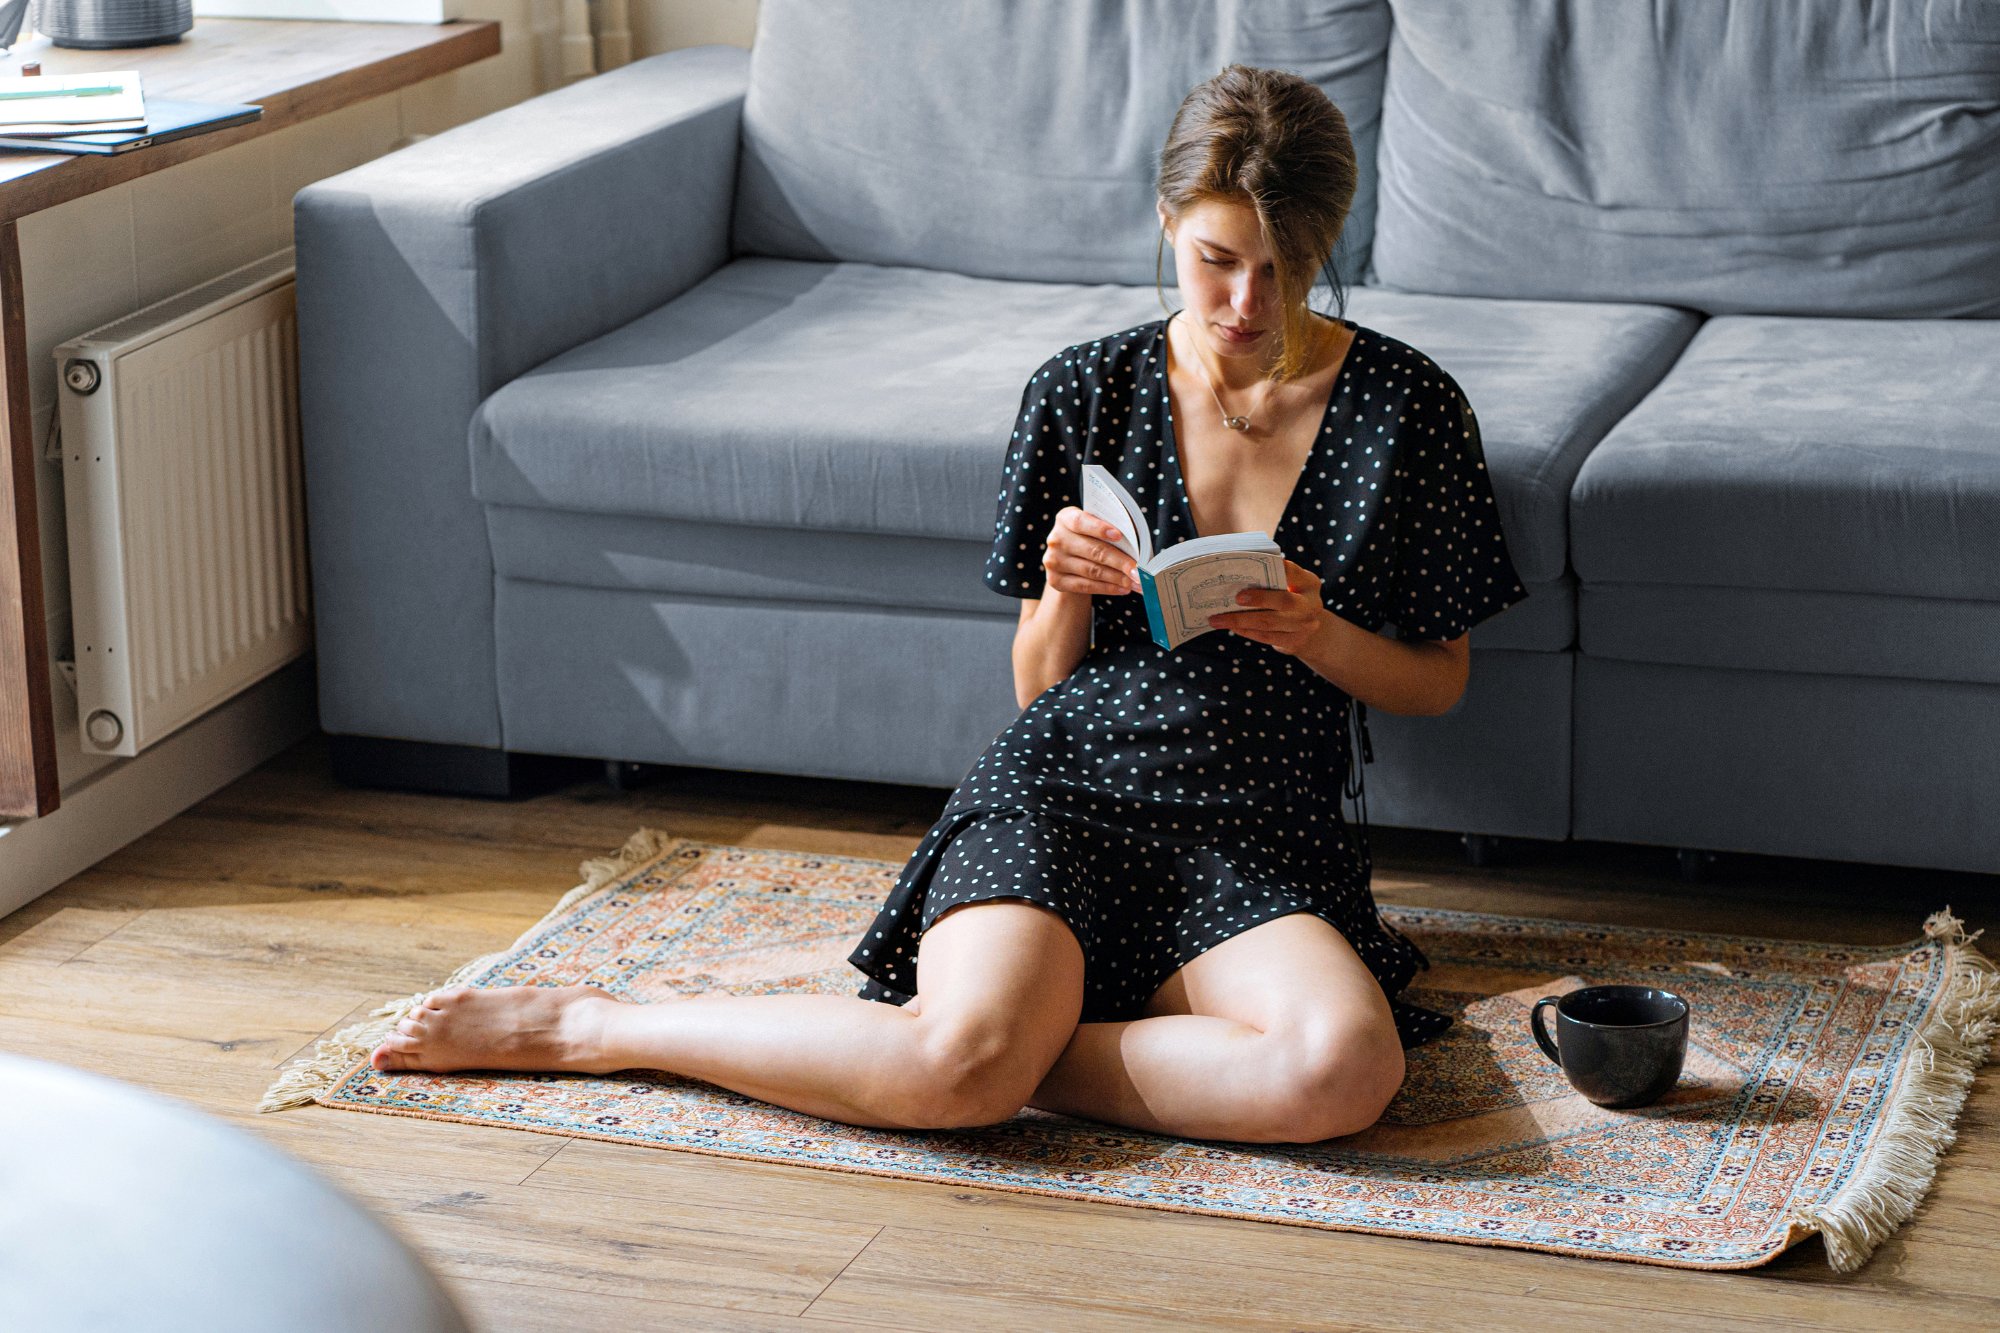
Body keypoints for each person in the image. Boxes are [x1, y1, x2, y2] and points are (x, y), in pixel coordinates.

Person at [367, 65, 1530, 1145]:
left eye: (1280, 267)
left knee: (1341, 1070)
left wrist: (1317, 631)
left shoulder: (1405, 406)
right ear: (1168, 223)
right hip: (1068, 786)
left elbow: (1440, 678)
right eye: (1216, 258)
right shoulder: (1082, 389)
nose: (1241, 300)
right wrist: (1066, 594)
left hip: (1258, 825)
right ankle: (596, 1027)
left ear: (1330, 239)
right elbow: (1036, 689)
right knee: (953, 1075)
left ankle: (1000, 1044)